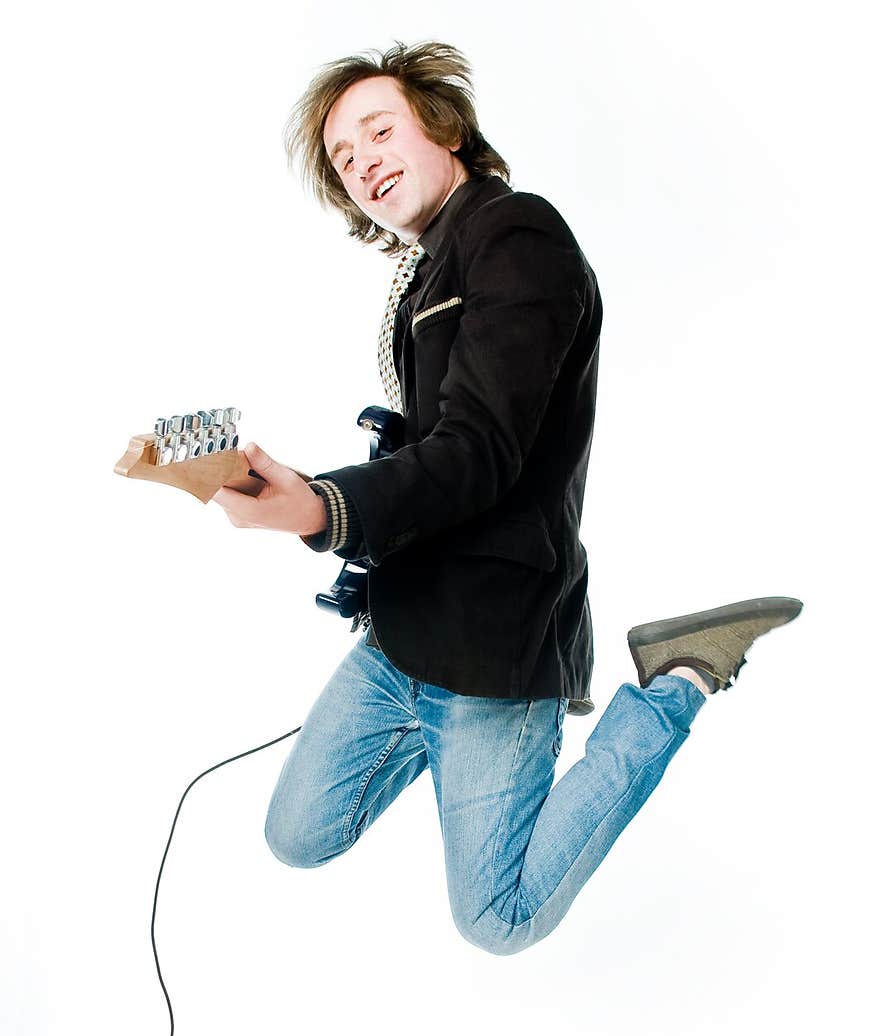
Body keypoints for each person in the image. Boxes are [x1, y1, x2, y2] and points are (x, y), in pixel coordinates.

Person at [212, 42, 801, 956]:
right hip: (405, 630)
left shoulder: (514, 235)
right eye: (342, 156)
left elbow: (479, 452)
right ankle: (436, 740)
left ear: (441, 127)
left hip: (492, 643)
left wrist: (323, 507)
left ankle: (675, 678)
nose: (363, 159)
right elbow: (437, 444)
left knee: (499, 917)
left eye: (380, 130)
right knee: (296, 833)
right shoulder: (434, 265)